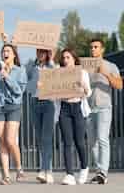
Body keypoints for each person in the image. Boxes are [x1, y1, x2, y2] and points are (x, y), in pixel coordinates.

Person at [0, 21, 27, 185]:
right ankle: (6, 176)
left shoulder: (20, 71)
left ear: (14, 55)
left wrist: (7, 77)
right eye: (3, 51)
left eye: (8, 51)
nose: (4, 53)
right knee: (1, 140)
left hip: (13, 107)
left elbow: (19, 91)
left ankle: (18, 168)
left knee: (10, 140)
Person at [88, 38, 123, 184]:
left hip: (104, 107)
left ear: (102, 49)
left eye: (96, 47)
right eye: (91, 47)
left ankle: (103, 172)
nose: (93, 49)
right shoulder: (86, 67)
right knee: (92, 142)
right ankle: (98, 171)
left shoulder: (111, 66)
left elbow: (119, 85)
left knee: (103, 139)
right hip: (89, 109)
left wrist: (106, 74)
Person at [59, 48, 92, 185]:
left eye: (68, 57)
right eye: (64, 58)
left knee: (80, 142)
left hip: (78, 107)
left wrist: (84, 87)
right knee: (67, 142)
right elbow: (52, 91)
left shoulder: (82, 73)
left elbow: (88, 93)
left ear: (74, 59)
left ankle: (84, 168)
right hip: (64, 109)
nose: (65, 60)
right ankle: (69, 174)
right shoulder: (59, 73)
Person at [27, 48, 58, 184]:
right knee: (40, 139)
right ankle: (46, 170)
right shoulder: (31, 67)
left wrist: (51, 59)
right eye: (38, 51)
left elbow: (57, 78)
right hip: (35, 102)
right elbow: (25, 84)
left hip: (48, 103)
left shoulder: (52, 66)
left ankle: (45, 170)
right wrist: (34, 84)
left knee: (46, 138)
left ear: (47, 54)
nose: (40, 54)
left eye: (43, 52)